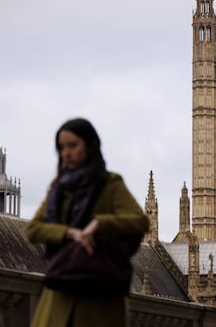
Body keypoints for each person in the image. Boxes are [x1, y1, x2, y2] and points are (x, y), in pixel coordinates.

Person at [26, 118, 149, 327]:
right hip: (59, 296)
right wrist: (71, 233)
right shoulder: (59, 189)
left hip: (99, 295)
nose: (66, 153)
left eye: (72, 145)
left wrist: (99, 224)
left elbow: (139, 221)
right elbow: (34, 229)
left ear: (91, 146)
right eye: (62, 147)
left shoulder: (110, 185)